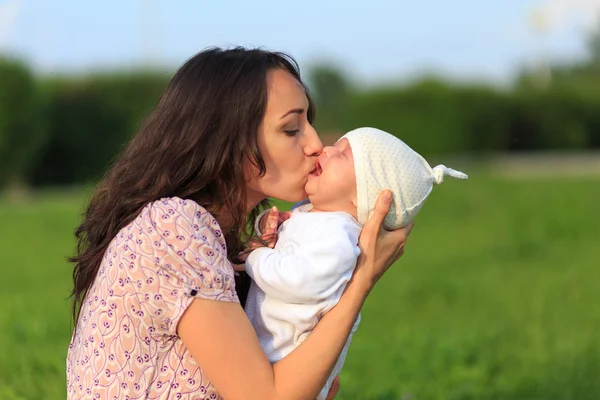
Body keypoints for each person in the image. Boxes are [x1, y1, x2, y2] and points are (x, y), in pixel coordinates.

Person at [66, 47, 413, 400]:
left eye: (308, 122)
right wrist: (362, 279)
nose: (315, 144)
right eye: (291, 129)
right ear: (228, 141)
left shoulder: (217, 234)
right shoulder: (175, 228)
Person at [238, 127, 467, 400]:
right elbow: (289, 248)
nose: (326, 150)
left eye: (344, 154)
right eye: (335, 145)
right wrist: (269, 226)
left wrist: (256, 258)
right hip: (269, 356)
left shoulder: (338, 238)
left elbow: (299, 281)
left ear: (365, 196)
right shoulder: (314, 216)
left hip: (287, 359)